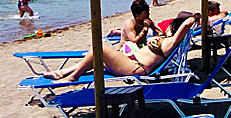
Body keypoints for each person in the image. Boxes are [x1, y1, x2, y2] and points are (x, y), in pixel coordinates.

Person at [44, 12, 200, 82]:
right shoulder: (165, 38)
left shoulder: (171, 42)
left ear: (175, 27)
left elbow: (186, 24)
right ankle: (63, 72)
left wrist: (194, 18)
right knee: (95, 51)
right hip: (129, 61)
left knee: (101, 47)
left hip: (135, 67)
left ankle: (73, 77)